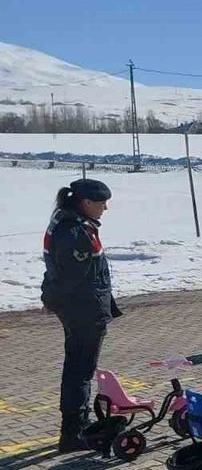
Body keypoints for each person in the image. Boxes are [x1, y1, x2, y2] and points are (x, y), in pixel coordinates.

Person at [42, 178, 121, 451]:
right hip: (83, 310)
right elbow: (69, 278)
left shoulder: (73, 225)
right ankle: (73, 432)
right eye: (102, 203)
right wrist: (55, 300)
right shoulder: (74, 232)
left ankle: (77, 426)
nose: (105, 208)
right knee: (79, 371)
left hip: (83, 307)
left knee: (79, 368)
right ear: (86, 203)